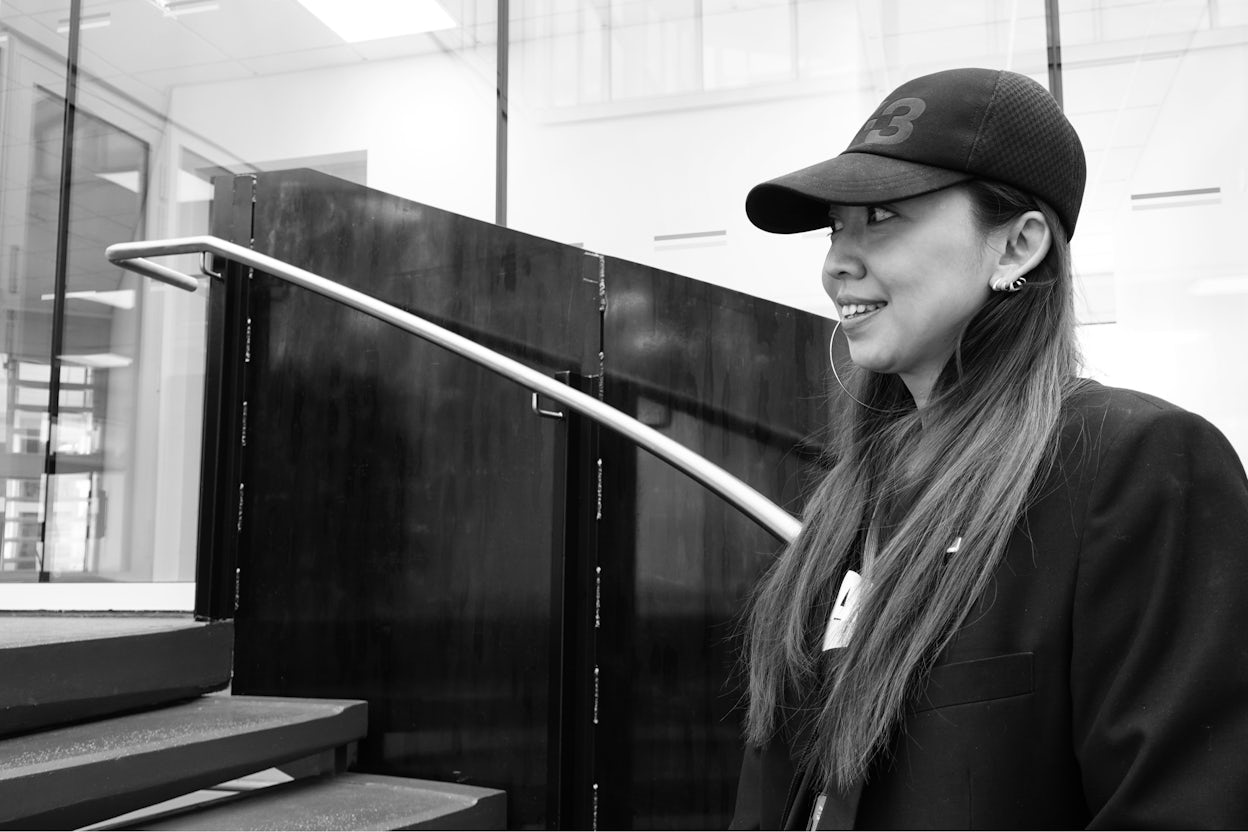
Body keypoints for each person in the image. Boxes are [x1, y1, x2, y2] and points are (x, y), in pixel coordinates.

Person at [732, 66, 1248, 830]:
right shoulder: (852, 499)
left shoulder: (1136, 467)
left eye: (881, 215)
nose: (837, 259)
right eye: (837, 225)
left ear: (1018, 247)